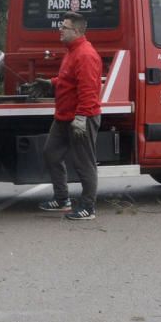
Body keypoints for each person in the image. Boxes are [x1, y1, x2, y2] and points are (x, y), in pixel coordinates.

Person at [37, 11, 103, 220]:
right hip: (65, 117)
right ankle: (62, 198)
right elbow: (69, 79)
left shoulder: (85, 55)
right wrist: (51, 83)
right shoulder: (72, 51)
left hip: (80, 118)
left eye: (63, 27)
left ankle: (88, 207)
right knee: (51, 153)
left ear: (76, 30)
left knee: (84, 163)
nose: (60, 30)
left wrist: (82, 118)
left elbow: (89, 90)